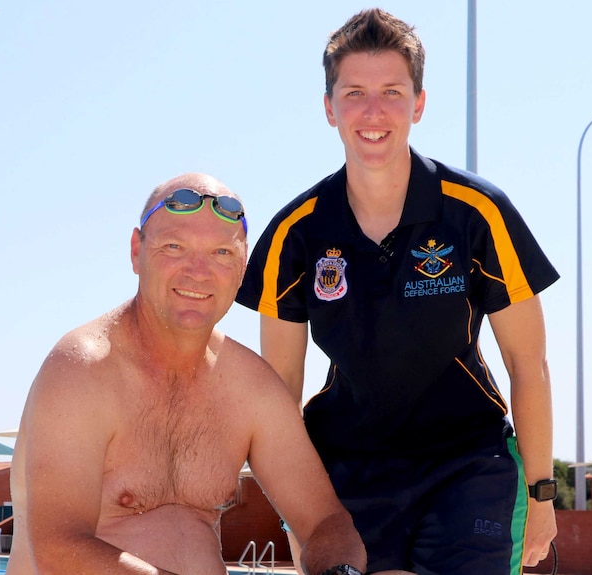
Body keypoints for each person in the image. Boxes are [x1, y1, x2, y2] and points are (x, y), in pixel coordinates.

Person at [235, 8, 559, 575]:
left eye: (392, 91)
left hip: (466, 461)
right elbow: (279, 389)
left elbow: (526, 363)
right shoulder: (297, 233)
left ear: (419, 103)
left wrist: (541, 496)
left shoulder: (478, 214)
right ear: (330, 108)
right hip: (347, 471)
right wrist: (295, 514)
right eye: (355, 92)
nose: (374, 111)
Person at [7, 173, 367, 575]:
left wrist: (339, 571)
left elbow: (324, 522)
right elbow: (57, 550)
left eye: (221, 253)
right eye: (174, 247)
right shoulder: (83, 369)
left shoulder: (250, 387)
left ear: (243, 267)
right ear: (136, 251)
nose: (198, 271)